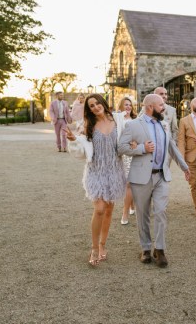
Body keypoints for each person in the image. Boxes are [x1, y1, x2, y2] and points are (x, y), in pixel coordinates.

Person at [118, 94, 190, 268]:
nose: (164, 108)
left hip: (161, 176)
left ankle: (160, 249)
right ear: (150, 107)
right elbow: (121, 147)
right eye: (161, 105)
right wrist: (142, 148)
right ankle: (145, 248)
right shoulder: (133, 125)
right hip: (141, 177)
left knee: (161, 212)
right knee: (143, 215)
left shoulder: (164, 124)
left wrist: (185, 167)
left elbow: (171, 147)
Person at [64, 94, 127, 266]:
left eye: (97, 103)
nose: (95, 107)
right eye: (91, 106)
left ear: (103, 103)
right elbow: (80, 149)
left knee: (108, 210)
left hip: (115, 171)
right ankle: (93, 248)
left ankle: (102, 245)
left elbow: (129, 137)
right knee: (99, 209)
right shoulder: (88, 125)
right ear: (89, 109)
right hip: (96, 171)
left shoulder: (119, 120)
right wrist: (73, 140)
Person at [118, 96, 137, 225]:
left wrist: (136, 141)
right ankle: (130, 205)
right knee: (126, 184)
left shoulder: (135, 120)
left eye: (130, 105)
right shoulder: (117, 120)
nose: (128, 107)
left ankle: (125, 212)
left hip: (133, 154)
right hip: (121, 154)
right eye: (125, 105)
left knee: (130, 183)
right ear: (121, 106)